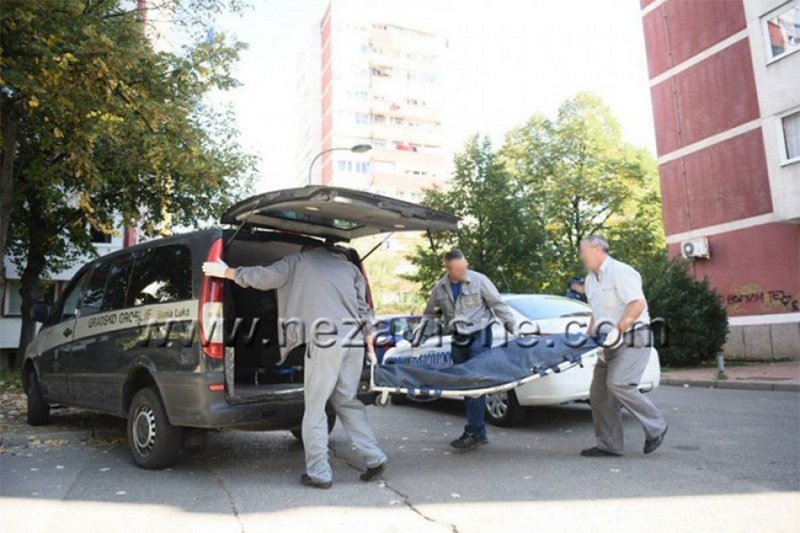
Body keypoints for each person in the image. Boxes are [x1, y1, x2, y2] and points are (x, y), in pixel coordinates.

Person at [202, 245, 387, 489]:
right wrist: (369, 338)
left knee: (315, 406)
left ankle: (319, 473)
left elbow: (262, 277)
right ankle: (375, 458)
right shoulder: (349, 268)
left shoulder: (296, 262)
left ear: (306, 250)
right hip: (353, 340)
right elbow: (364, 308)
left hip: (324, 340)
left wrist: (226, 272)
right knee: (346, 400)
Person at [415, 249, 517, 450]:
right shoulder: (440, 289)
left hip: (480, 334)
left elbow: (498, 305)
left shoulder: (479, 281)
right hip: (458, 337)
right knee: (464, 384)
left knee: (474, 382)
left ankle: (473, 430)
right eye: (459, 269)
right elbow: (430, 317)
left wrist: (513, 327)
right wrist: (420, 337)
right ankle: (478, 432)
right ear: (448, 269)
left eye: (465, 266)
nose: (464, 271)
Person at [578, 235, 668, 457]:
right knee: (598, 394)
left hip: (633, 337)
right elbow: (596, 314)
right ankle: (609, 445)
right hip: (607, 343)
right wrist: (587, 339)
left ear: (598, 249)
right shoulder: (590, 280)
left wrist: (619, 329)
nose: (580, 255)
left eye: (583, 250)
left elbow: (637, 303)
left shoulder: (621, 271)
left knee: (620, 383)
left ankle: (657, 426)